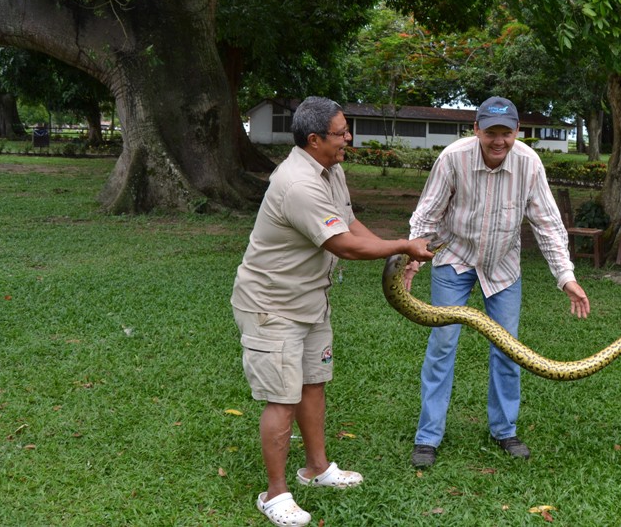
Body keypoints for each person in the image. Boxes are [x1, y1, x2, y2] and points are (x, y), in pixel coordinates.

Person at [231, 97, 434, 527]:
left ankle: (317, 469)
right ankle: (275, 493)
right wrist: (402, 245)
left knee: (313, 385)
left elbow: (349, 224)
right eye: (342, 133)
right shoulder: (298, 184)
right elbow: (340, 245)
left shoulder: (331, 171)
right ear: (314, 139)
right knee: (281, 400)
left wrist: (393, 252)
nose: (349, 138)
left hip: (309, 300)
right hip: (273, 306)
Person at [403, 96, 591, 468]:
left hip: (503, 266)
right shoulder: (453, 158)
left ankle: (504, 429)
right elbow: (427, 214)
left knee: (509, 349)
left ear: (517, 132)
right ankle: (428, 437)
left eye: (506, 132)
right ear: (476, 130)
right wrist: (413, 259)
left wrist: (565, 277)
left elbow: (548, 225)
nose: (499, 141)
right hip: (454, 258)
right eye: (491, 132)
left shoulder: (529, 163)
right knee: (442, 344)